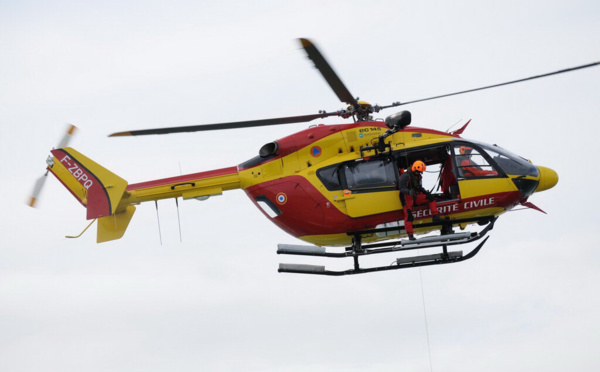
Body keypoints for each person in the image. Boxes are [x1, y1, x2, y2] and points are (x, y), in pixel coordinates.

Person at [399, 160, 443, 240]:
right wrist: (409, 191)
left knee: (431, 198)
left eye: (420, 172)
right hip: (406, 197)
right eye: (418, 172)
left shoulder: (418, 176)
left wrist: (426, 193)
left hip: (415, 195)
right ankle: (410, 235)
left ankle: (435, 216)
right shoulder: (405, 176)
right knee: (409, 215)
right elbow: (402, 188)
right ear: (414, 169)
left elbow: (419, 187)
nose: (419, 173)